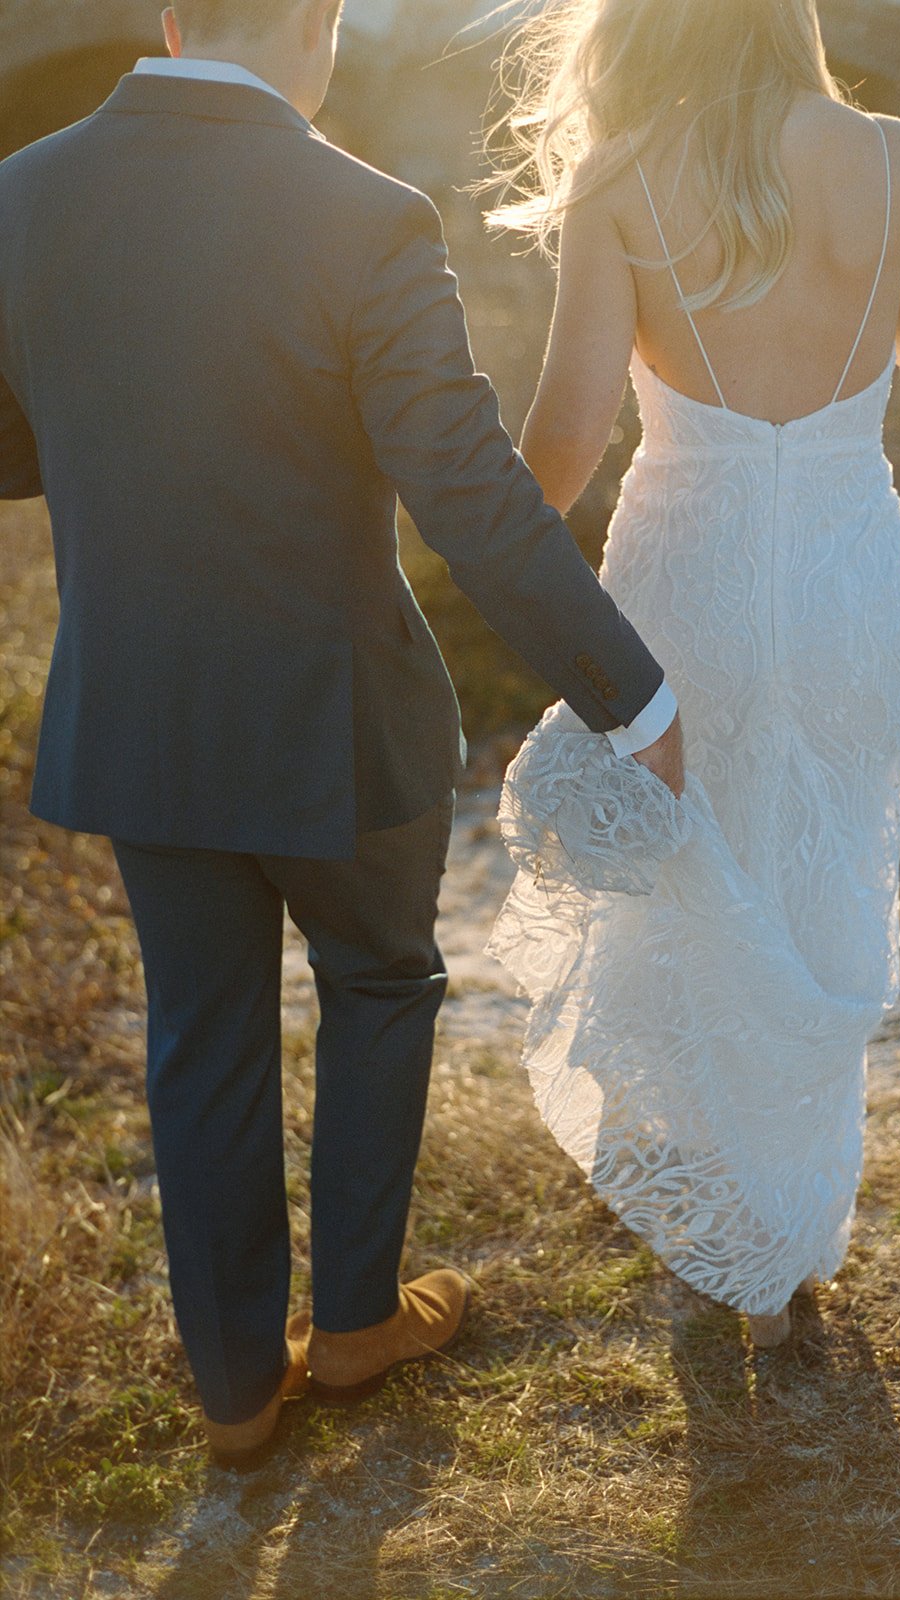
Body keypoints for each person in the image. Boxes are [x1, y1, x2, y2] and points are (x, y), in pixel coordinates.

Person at [0, 0, 685, 1468]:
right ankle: (361, 1322)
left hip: (141, 709)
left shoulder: (19, 193)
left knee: (201, 1035)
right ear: (315, 24)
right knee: (380, 981)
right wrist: (633, 692)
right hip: (339, 714)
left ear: (176, 19)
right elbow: (469, 490)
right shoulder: (365, 213)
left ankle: (239, 1390)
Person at [486, 0, 900, 1347]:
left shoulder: (624, 173)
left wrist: (491, 564)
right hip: (841, 572)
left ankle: (721, 1229)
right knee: (821, 873)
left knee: (693, 871)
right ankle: (792, 1243)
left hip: (684, 571)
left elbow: (571, 429)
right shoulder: (894, 154)